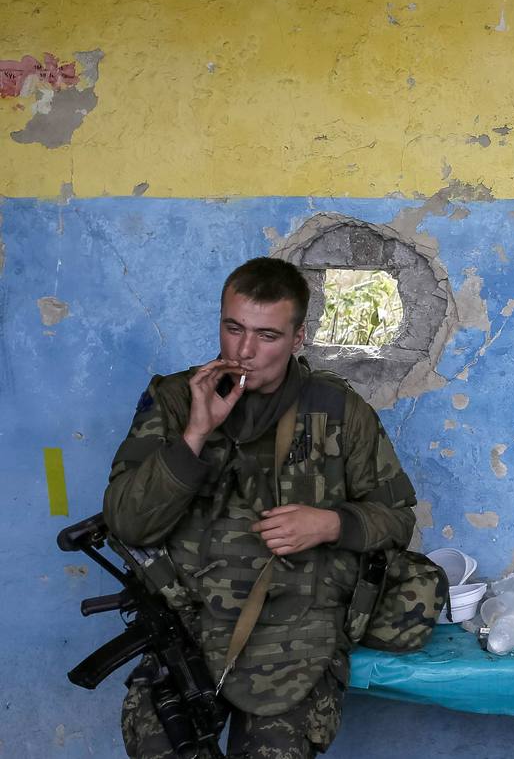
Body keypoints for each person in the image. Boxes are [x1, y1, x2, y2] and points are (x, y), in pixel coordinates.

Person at [103, 257, 421, 758]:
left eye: (267, 336)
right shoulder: (174, 400)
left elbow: (398, 517)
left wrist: (331, 523)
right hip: (189, 627)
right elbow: (127, 522)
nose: (244, 351)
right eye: (233, 329)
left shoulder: (338, 411)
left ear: (298, 339)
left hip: (295, 635)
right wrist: (196, 433)